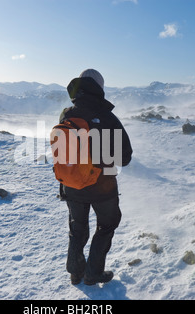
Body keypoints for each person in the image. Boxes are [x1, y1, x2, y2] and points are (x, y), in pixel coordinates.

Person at [58, 69, 133, 286]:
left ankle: (75, 272)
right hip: (102, 185)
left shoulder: (67, 115)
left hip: (71, 183)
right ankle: (93, 273)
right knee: (107, 225)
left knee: (77, 227)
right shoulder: (108, 116)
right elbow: (125, 157)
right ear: (99, 88)